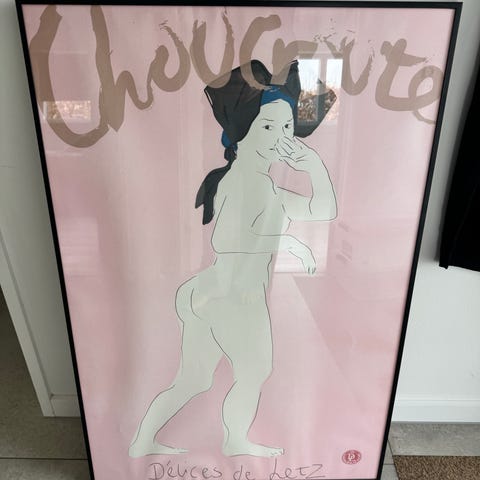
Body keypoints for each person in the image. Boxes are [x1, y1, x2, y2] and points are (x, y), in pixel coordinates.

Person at [129, 60, 337, 459]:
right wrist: (288, 243)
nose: (281, 137)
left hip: (209, 292)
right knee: (255, 371)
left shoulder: (262, 184)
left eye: (287, 127)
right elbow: (226, 238)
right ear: (241, 132)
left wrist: (313, 166)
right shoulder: (247, 180)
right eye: (268, 127)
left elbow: (323, 210)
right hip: (233, 295)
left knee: (194, 379)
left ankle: (142, 442)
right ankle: (235, 440)